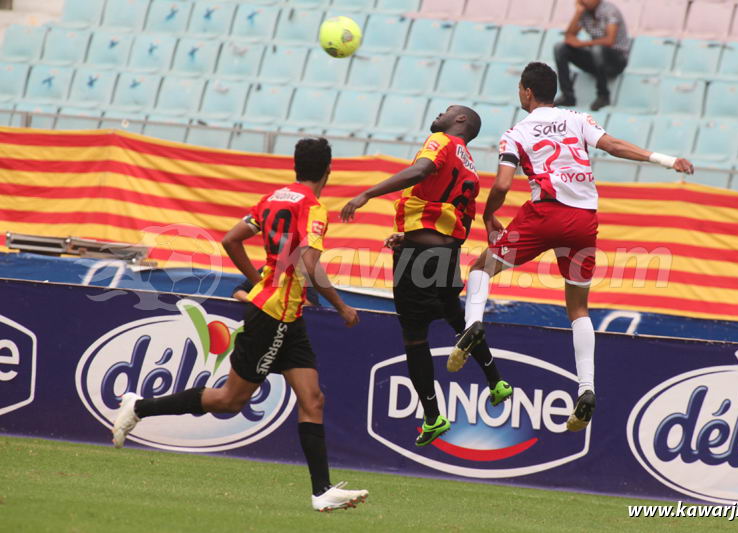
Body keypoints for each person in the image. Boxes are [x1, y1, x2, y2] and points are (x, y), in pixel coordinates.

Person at [112, 138, 369, 512]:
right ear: (328, 171)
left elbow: (232, 239)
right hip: (272, 316)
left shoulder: (272, 199)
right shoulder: (313, 209)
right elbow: (310, 264)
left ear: (296, 166)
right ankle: (139, 407)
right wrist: (342, 306)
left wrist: (259, 280)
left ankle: (322, 491)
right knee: (230, 400)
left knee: (313, 398)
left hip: (287, 315)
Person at [450, 62, 693, 432]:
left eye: (520, 89)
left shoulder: (515, 134)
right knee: (578, 308)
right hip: (582, 223)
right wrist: (666, 160)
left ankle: (473, 326)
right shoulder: (578, 120)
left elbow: (501, 185)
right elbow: (613, 146)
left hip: (542, 216)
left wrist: (489, 214)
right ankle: (586, 388)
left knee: (481, 268)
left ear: (527, 91)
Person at [340, 106, 512, 448]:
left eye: (448, 111)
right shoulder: (470, 166)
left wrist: (366, 194)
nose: (440, 113)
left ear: (460, 121)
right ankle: (496, 380)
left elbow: (421, 170)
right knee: (456, 317)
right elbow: (456, 218)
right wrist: (416, 239)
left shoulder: (442, 141)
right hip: (444, 254)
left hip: (418, 256)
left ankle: (433, 417)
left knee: (414, 338)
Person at [554, 0, 631, 111]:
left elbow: (610, 40)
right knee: (560, 48)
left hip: (617, 60)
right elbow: (569, 36)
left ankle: (603, 95)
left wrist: (582, 44)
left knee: (597, 49)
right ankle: (568, 96)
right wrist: (578, 13)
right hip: (597, 59)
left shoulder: (610, 11)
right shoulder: (584, 12)